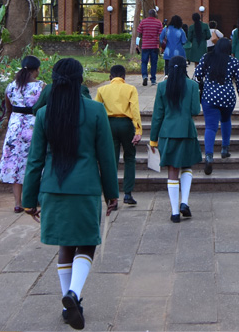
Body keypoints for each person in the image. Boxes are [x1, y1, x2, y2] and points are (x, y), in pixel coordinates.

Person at [22, 59, 118, 331]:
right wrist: (112, 193)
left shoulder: (44, 114)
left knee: (65, 244)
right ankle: (74, 295)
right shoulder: (96, 111)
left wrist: (28, 200)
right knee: (86, 242)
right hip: (85, 188)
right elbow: (106, 159)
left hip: (53, 188)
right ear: (80, 79)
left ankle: (68, 306)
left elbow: (34, 161)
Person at [149, 56, 202, 222]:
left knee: (172, 171)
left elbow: (158, 115)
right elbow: (195, 110)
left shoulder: (162, 86)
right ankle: (184, 203)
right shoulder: (193, 85)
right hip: (187, 131)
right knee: (187, 167)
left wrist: (153, 140)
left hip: (167, 133)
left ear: (169, 69)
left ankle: (174, 213)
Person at [0, 56, 46, 213]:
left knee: (16, 163)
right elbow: (44, 106)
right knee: (33, 161)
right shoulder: (40, 86)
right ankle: (33, 198)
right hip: (33, 126)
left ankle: (18, 203)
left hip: (15, 127)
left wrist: (13, 124)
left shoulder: (11, 86)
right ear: (36, 70)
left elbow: (8, 109)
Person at [194, 39, 239, 174]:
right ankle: (225, 149)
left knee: (210, 127)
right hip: (228, 97)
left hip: (210, 96)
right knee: (226, 120)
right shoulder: (233, 61)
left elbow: (197, 75)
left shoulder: (207, 58)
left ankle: (209, 156)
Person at [94, 65, 141, 207]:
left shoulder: (102, 90)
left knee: (111, 161)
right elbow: (134, 109)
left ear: (110, 76)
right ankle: (128, 193)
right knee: (129, 157)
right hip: (126, 124)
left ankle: (111, 197)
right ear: (124, 77)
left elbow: (97, 110)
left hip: (109, 125)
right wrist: (138, 130)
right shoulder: (130, 89)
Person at [137, 9, 163, 87]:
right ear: (155, 14)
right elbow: (161, 36)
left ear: (148, 14)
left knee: (144, 62)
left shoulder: (143, 22)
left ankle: (145, 76)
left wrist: (137, 44)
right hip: (154, 46)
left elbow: (139, 34)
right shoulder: (158, 22)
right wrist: (161, 46)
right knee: (154, 63)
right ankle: (153, 79)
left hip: (145, 45)